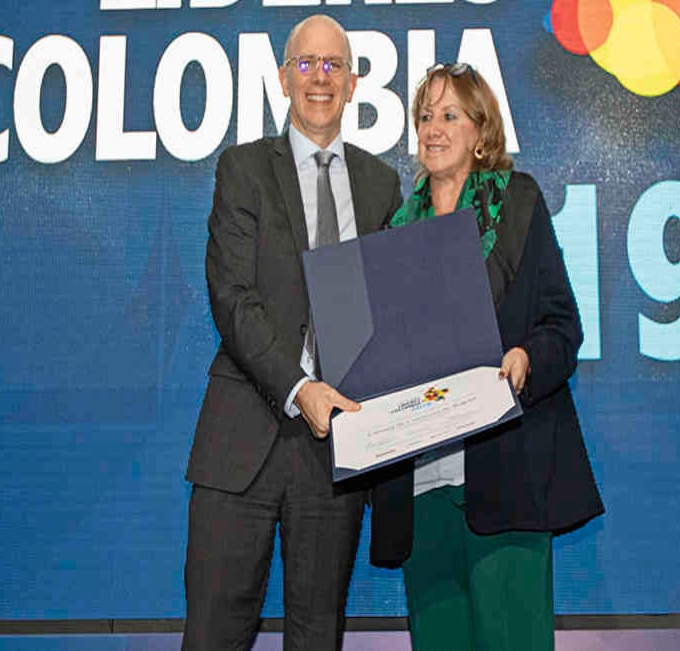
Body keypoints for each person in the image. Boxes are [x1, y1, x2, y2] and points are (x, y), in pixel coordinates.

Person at [182, 14, 402, 651]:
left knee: (317, 637)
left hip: (335, 453)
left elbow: (387, 313)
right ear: (284, 77)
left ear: (354, 83)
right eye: (306, 64)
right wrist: (300, 387)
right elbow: (232, 298)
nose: (320, 78)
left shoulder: (381, 184)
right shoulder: (243, 169)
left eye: (334, 65)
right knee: (214, 634)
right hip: (240, 441)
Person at [368, 63, 605, 651]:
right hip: (421, 495)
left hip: (508, 480)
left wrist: (526, 355)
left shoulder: (519, 202)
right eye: (424, 116)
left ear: (481, 130)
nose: (433, 129)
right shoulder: (391, 231)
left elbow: (562, 326)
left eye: (450, 115)